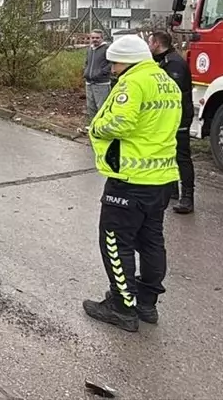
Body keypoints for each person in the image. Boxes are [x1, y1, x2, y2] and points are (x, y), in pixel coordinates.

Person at [83, 34, 181, 332]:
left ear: (127, 60)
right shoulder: (167, 82)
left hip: (130, 178)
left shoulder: (133, 82)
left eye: (114, 62)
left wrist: (96, 127)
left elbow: (120, 122)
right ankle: (147, 304)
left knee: (115, 241)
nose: (112, 68)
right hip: (161, 178)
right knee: (152, 241)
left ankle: (121, 306)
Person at [150, 31, 196, 215]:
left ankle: (187, 197)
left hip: (180, 117)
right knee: (168, 152)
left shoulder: (174, 63)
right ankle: (172, 191)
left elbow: (170, 92)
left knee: (182, 156)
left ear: (157, 44)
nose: (148, 47)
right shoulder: (163, 61)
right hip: (169, 117)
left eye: (149, 43)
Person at [84, 30, 112, 123]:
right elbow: (87, 62)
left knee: (101, 107)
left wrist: (101, 72)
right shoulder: (90, 49)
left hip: (101, 83)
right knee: (90, 107)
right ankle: (92, 126)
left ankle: (102, 127)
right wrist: (85, 72)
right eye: (93, 38)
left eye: (97, 38)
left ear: (102, 38)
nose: (95, 40)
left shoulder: (107, 48)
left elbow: (111, 63)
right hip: (89, 82)